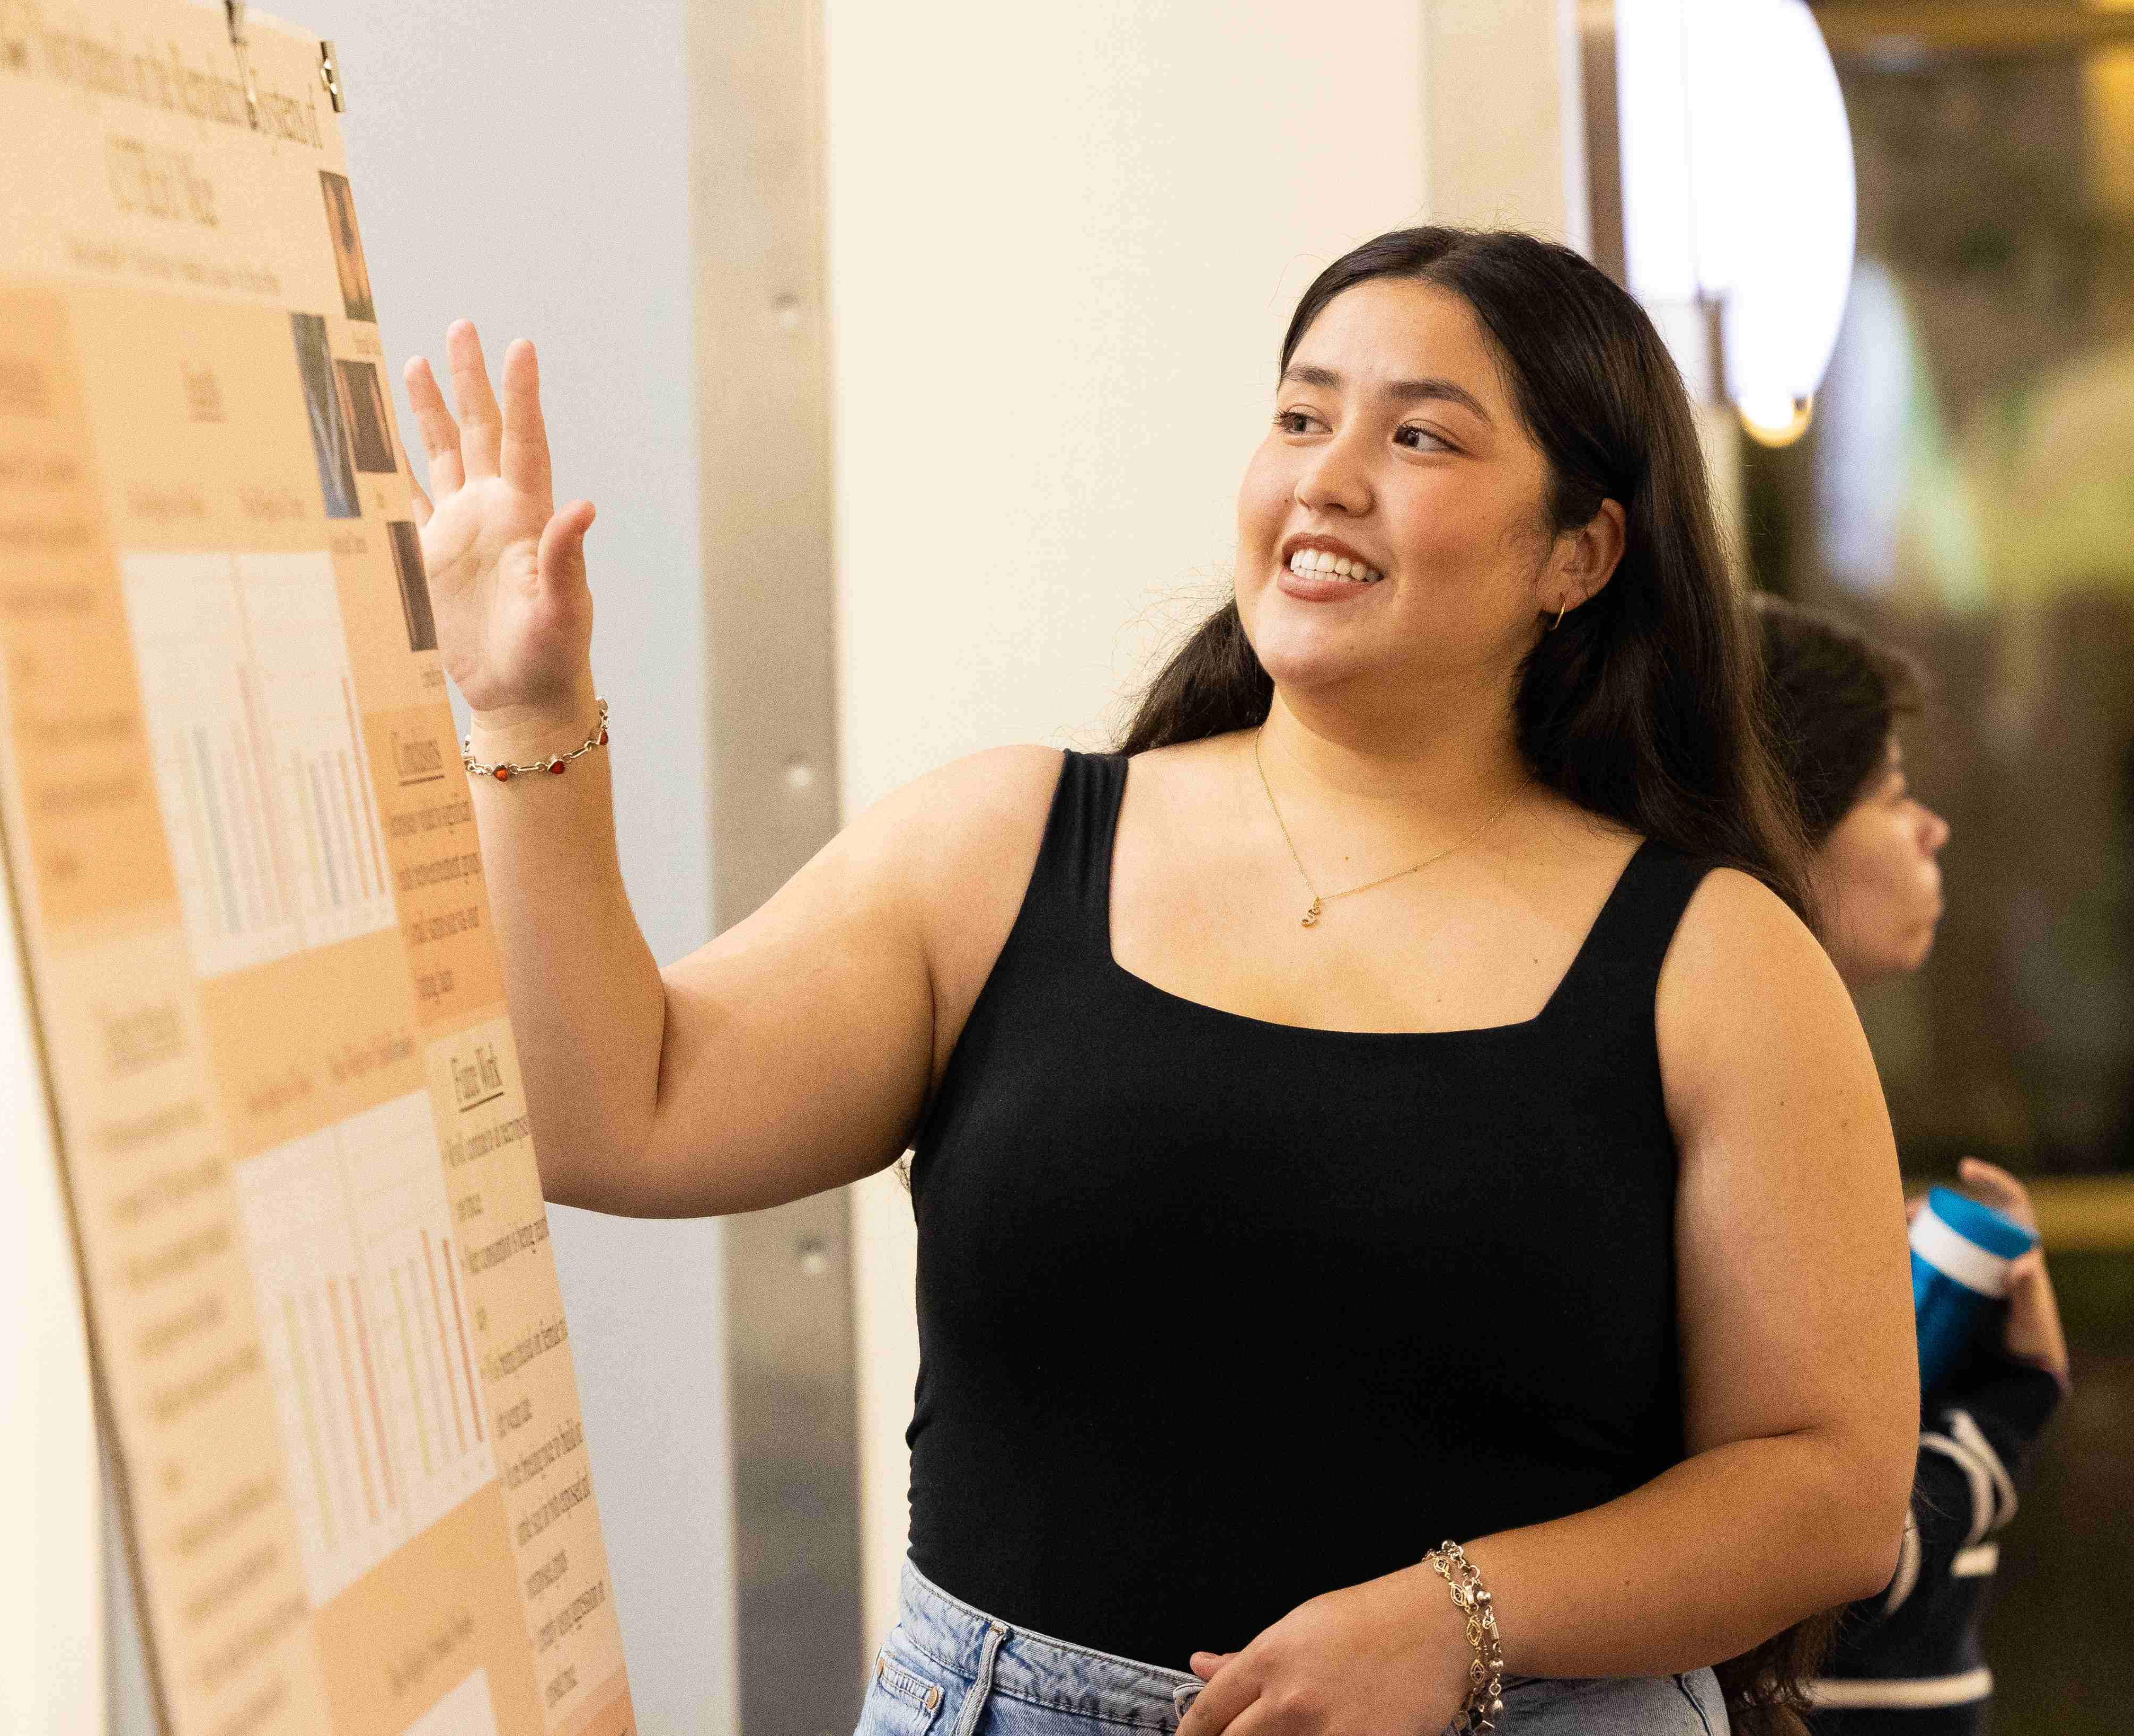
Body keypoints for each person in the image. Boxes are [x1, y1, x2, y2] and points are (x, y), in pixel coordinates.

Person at [401, 226, 1920, 1736]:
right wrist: (523, 707)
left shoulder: (1714, 959)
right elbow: (608, 1113)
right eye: (1300, 415)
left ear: (1579, 552)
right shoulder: (1003, 848)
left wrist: (1462, 1616)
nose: (1326, 474)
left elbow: (1829, 1485)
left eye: (1418, 436)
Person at [1753, 597, 2070, 1733]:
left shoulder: (1802, 1113)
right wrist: (2007, 1412)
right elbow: (1805, 1568)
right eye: (1890, 793)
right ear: (1783, 837)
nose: (1931, 828)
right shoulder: (1754, 1132)